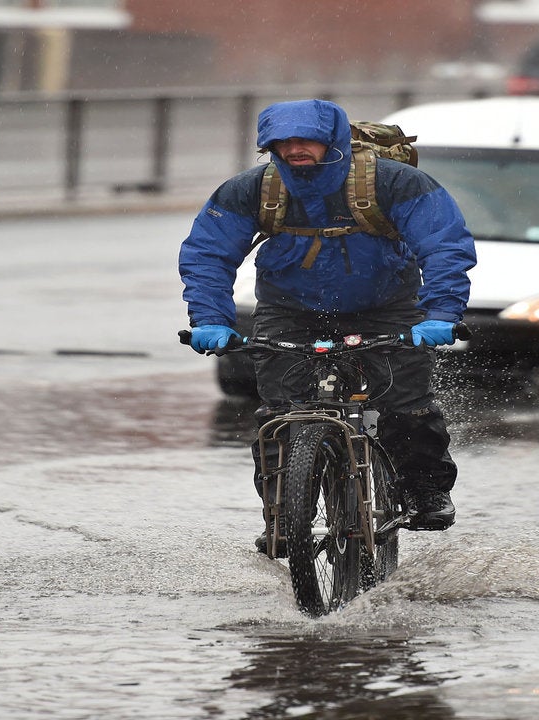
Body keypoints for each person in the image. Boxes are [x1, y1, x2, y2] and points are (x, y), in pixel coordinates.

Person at [178, 99, 476, 552]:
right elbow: (207, 255)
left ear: (331, 139)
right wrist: (210, 320)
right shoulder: (252, 190)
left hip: (387, 306)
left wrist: (440, 315)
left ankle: (426, 490)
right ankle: (283, 517)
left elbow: (444, 246)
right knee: (280, 416)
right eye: (282, 142)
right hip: (291, 309)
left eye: (305, 140)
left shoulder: (395, 183)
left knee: (406, 404)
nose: (294, 149)